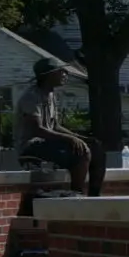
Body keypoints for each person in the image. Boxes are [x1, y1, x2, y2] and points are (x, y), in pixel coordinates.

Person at [13, 60, 104, 195]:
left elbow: (54, 126)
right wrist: (70, 140)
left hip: (47, 143)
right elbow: (37, 129)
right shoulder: (31, 97)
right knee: (82, 152)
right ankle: (76, 193)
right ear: (48, 75)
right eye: (60, 71)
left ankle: (95, 195)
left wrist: (79, 138)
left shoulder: (51, 95)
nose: (65, 74)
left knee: (95, 147)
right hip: (30, 147)